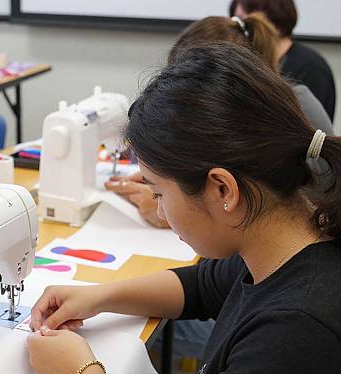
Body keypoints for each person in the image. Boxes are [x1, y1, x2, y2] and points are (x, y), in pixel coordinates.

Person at [26, 42, 341, 374]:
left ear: (222, 189)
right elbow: (203, 286)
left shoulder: (299, 327)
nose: (162, 212)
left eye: (158, 191)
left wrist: (81, 372)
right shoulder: (293, 231)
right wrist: (98, 296)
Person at [106, 12, 334, 230]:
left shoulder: (285, 115)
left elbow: (270, 207)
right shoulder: (255, 113)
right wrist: (170, 182)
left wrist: (178, 211)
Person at [230, 0, 336, 122]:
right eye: (237, 21)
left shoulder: (312, 68)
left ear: (276, 23)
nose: (242, 30)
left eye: (248, 23)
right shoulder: (248, 65)